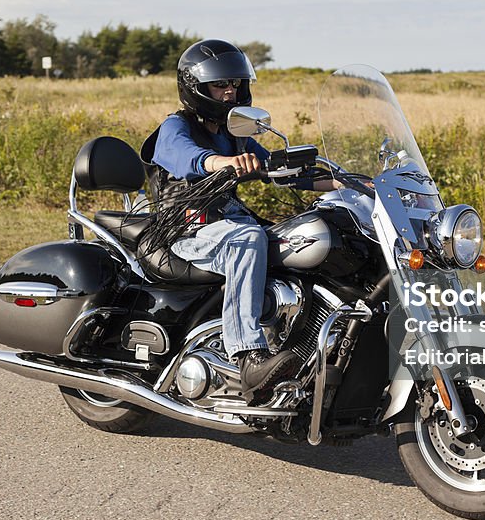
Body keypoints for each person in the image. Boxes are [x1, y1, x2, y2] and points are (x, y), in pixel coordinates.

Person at [142, 39, 340, 402]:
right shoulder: (175, 127)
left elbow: (281, 169)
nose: (230, 92)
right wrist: (220, 163)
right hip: (184, 228)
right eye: (221, 85)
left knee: (306, 237)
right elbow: (186, 157)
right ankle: (247, 355)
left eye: (235, 84)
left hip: (226, 223)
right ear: (196, 89)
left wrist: (351, 180)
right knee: (248, 239)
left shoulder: (236, 135)